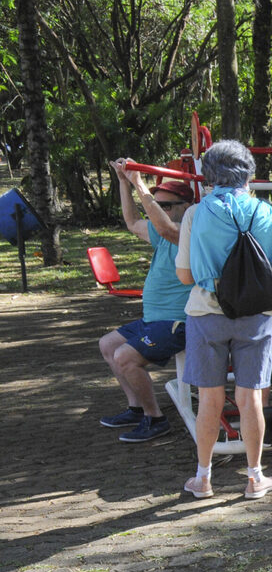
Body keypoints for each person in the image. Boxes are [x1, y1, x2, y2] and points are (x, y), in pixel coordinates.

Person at [175, 140, 272, 500]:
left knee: (209, 400)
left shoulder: (195, 214)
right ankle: (255, 478)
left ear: (209, 175)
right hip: (254, 316)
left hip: (205, 314)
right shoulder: (264, 211)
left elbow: (185, 276)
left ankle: (203, 478)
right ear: (249, 173)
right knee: (251, 400)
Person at [98, 164, 193, 442]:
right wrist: (123, 183)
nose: (157, 210)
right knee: (108, 345)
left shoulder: (184, 234)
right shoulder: (161, 232)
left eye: (164, 205)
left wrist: (138, 183)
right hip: (154, 319)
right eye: (156, 203)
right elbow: (131, 222)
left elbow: (164, 226)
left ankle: (156, 418)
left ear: (185, 207)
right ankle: (137, 408)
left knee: (125, 357)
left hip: (178, 322)